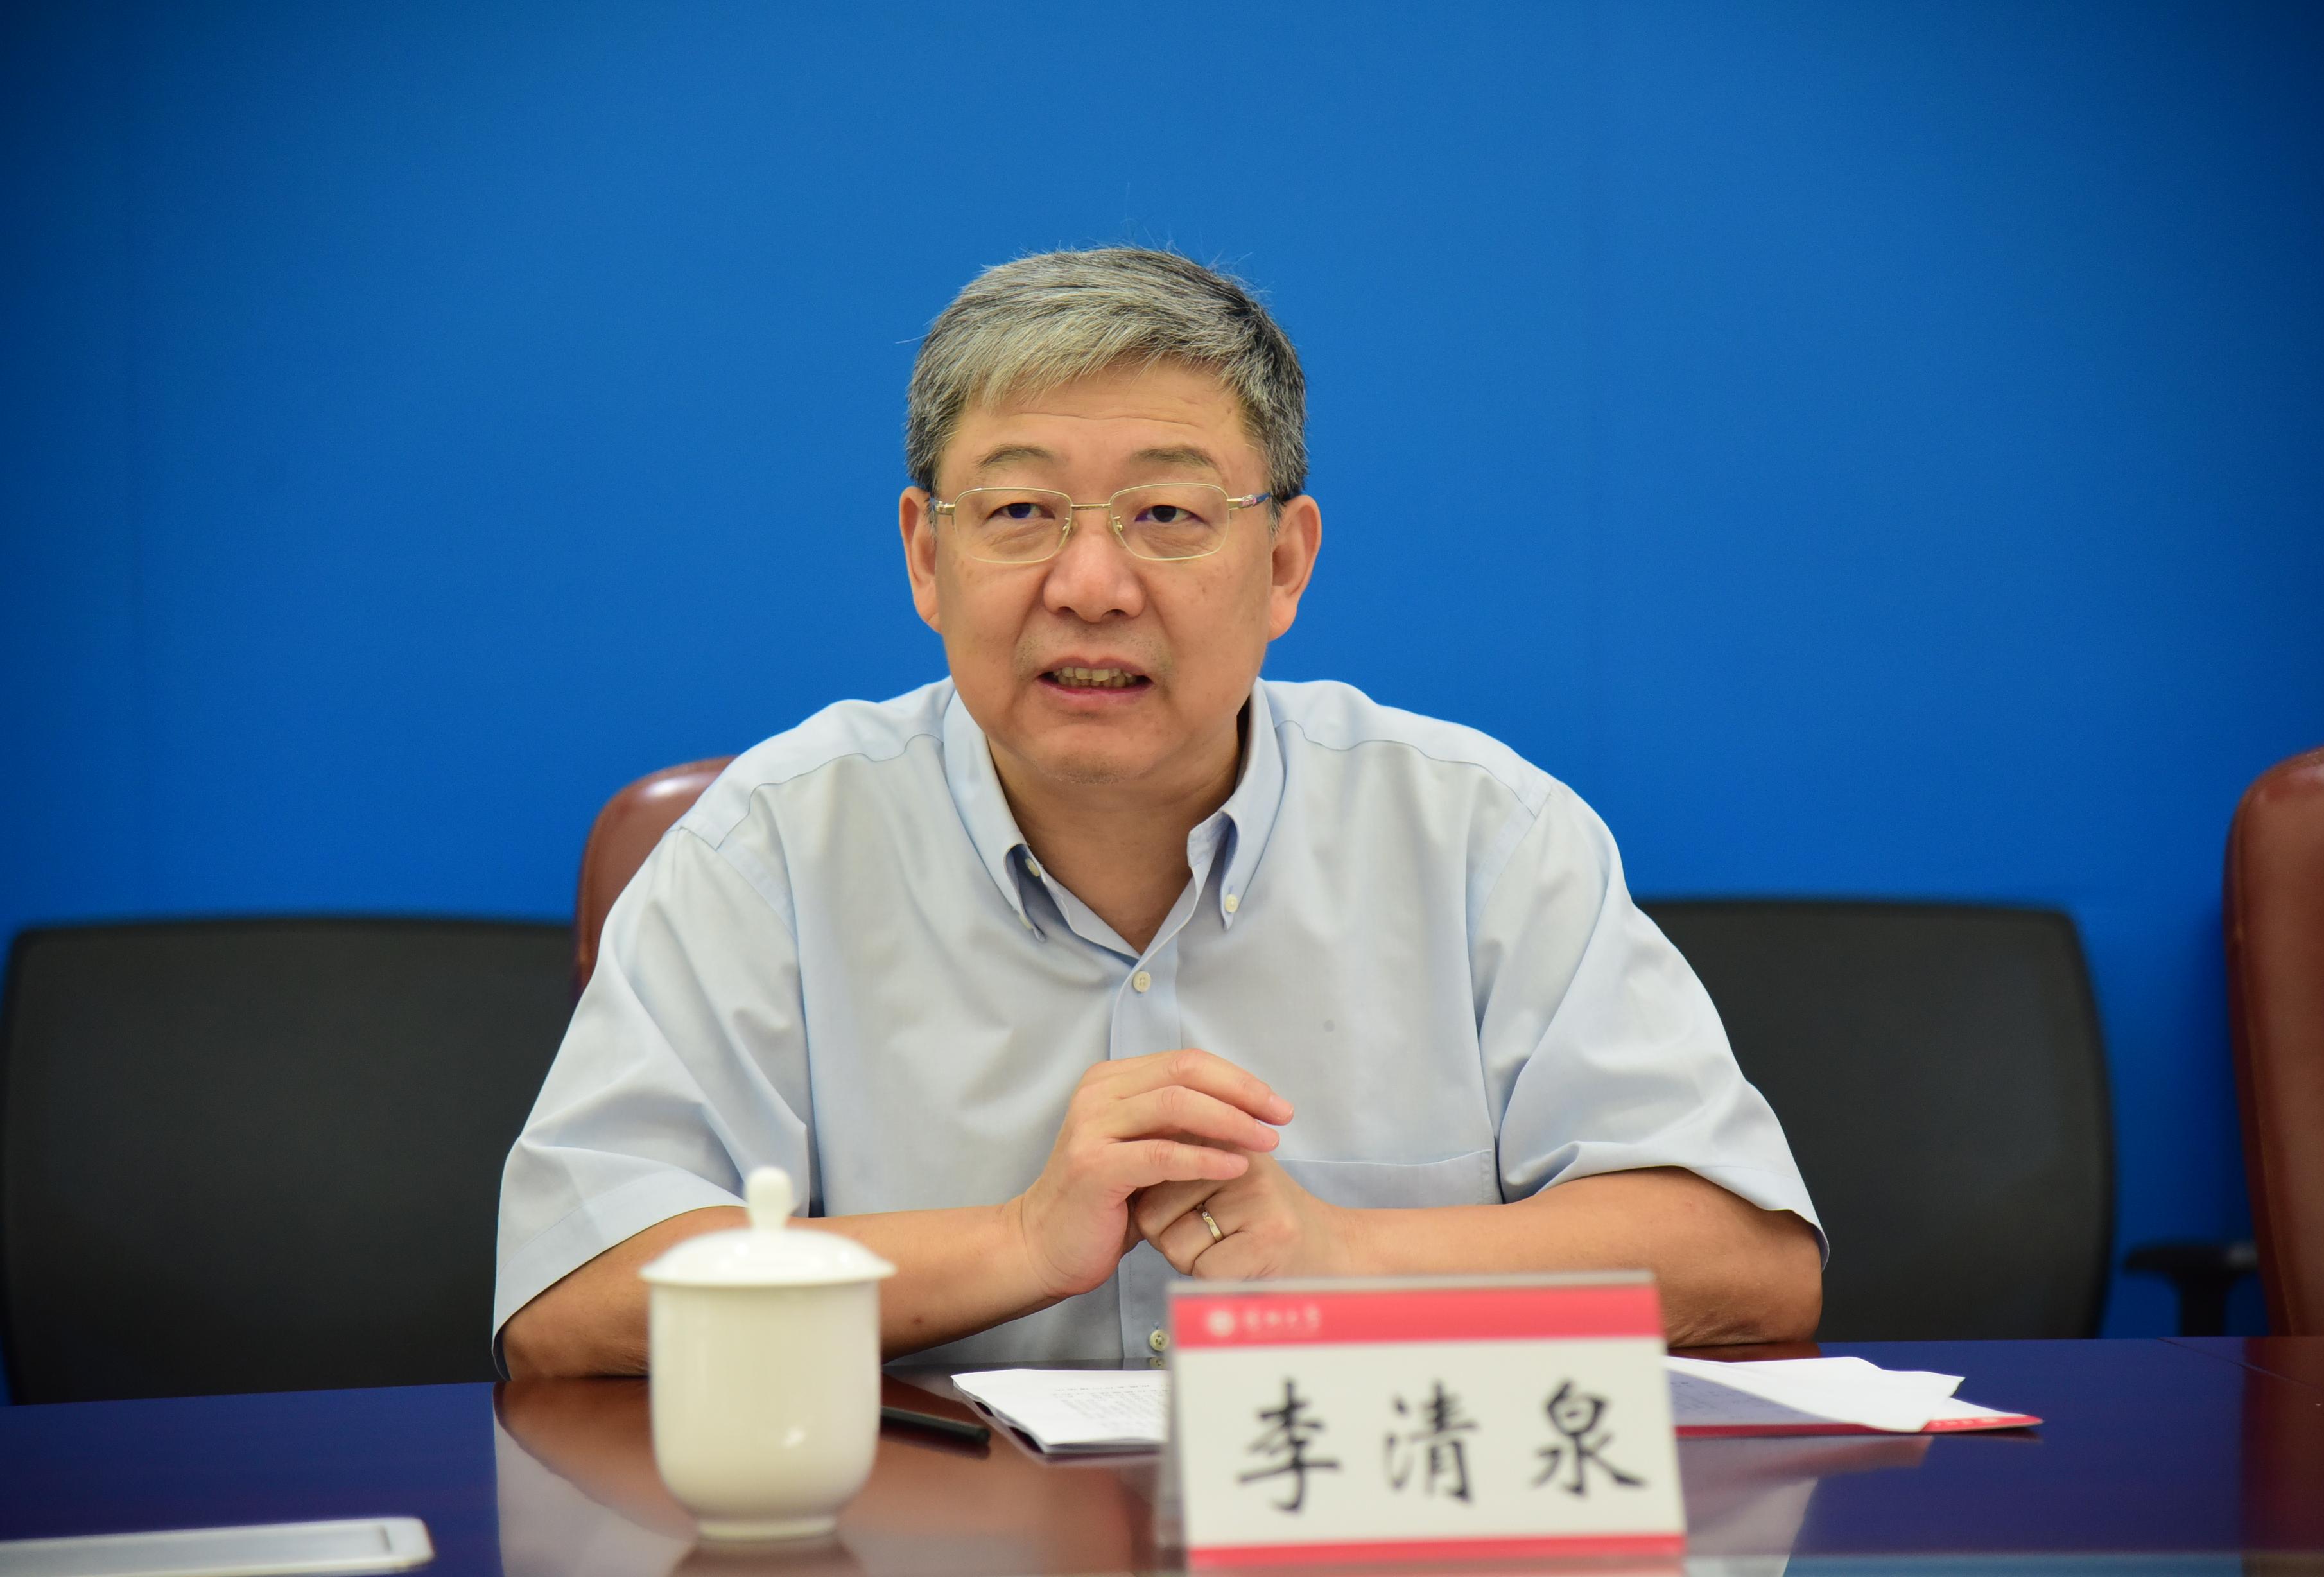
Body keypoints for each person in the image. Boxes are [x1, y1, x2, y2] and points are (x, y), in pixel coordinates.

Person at [496, 248, 1822, 1377]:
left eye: (1168, 513)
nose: (1091, 583)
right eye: (1020, 510)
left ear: (1283, 561)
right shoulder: (771, 847)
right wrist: (1017, 1243)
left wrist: (1344, 1253)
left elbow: (1747, 1262)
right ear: (926, 555)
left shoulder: (1481, 833)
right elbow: (574, 1296)